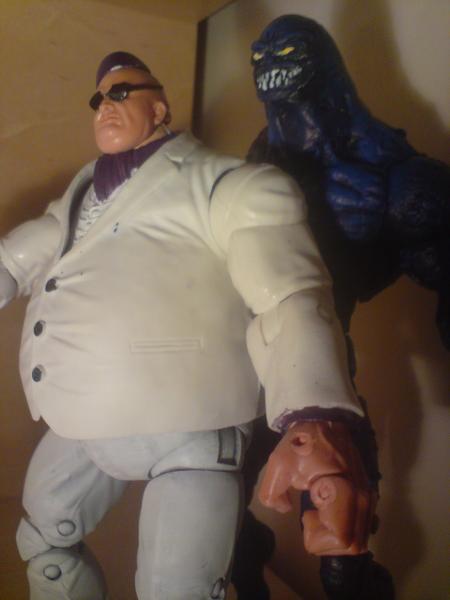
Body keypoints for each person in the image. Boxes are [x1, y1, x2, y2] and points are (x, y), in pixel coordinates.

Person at [0, 52, 372, 600]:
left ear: (159, 108)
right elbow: (17, 259)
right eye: (98, 98)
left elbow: (290, 297)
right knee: (43, 543)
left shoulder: (229, 185)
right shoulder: (82, 191)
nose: (105, 106)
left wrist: (313, 419)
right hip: (80, 420)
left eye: (121, 93)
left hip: (189, 428)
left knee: (177, 587)